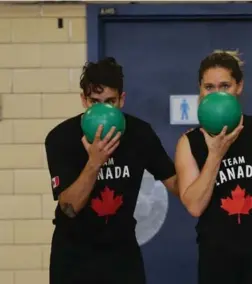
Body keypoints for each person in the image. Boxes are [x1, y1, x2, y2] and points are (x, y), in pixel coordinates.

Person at [44, 57, 177, 284]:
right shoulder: (61, 138)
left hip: (121, 254)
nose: (103, 110)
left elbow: (176, 183)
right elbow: (69, 208)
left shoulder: (139, 134)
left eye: (110, 102)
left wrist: (206, 154)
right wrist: (94, 162)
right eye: (96, 102)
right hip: (74, 256)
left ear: (121, 100)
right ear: (84, 101)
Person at [174, 50, 252, 284]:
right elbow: (194, 205)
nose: (216, 94)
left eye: (224, 86)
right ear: (200, 90)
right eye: (209, 87)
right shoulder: (188, 143)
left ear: (239, 87)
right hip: (218, 256)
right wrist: (215, 154)